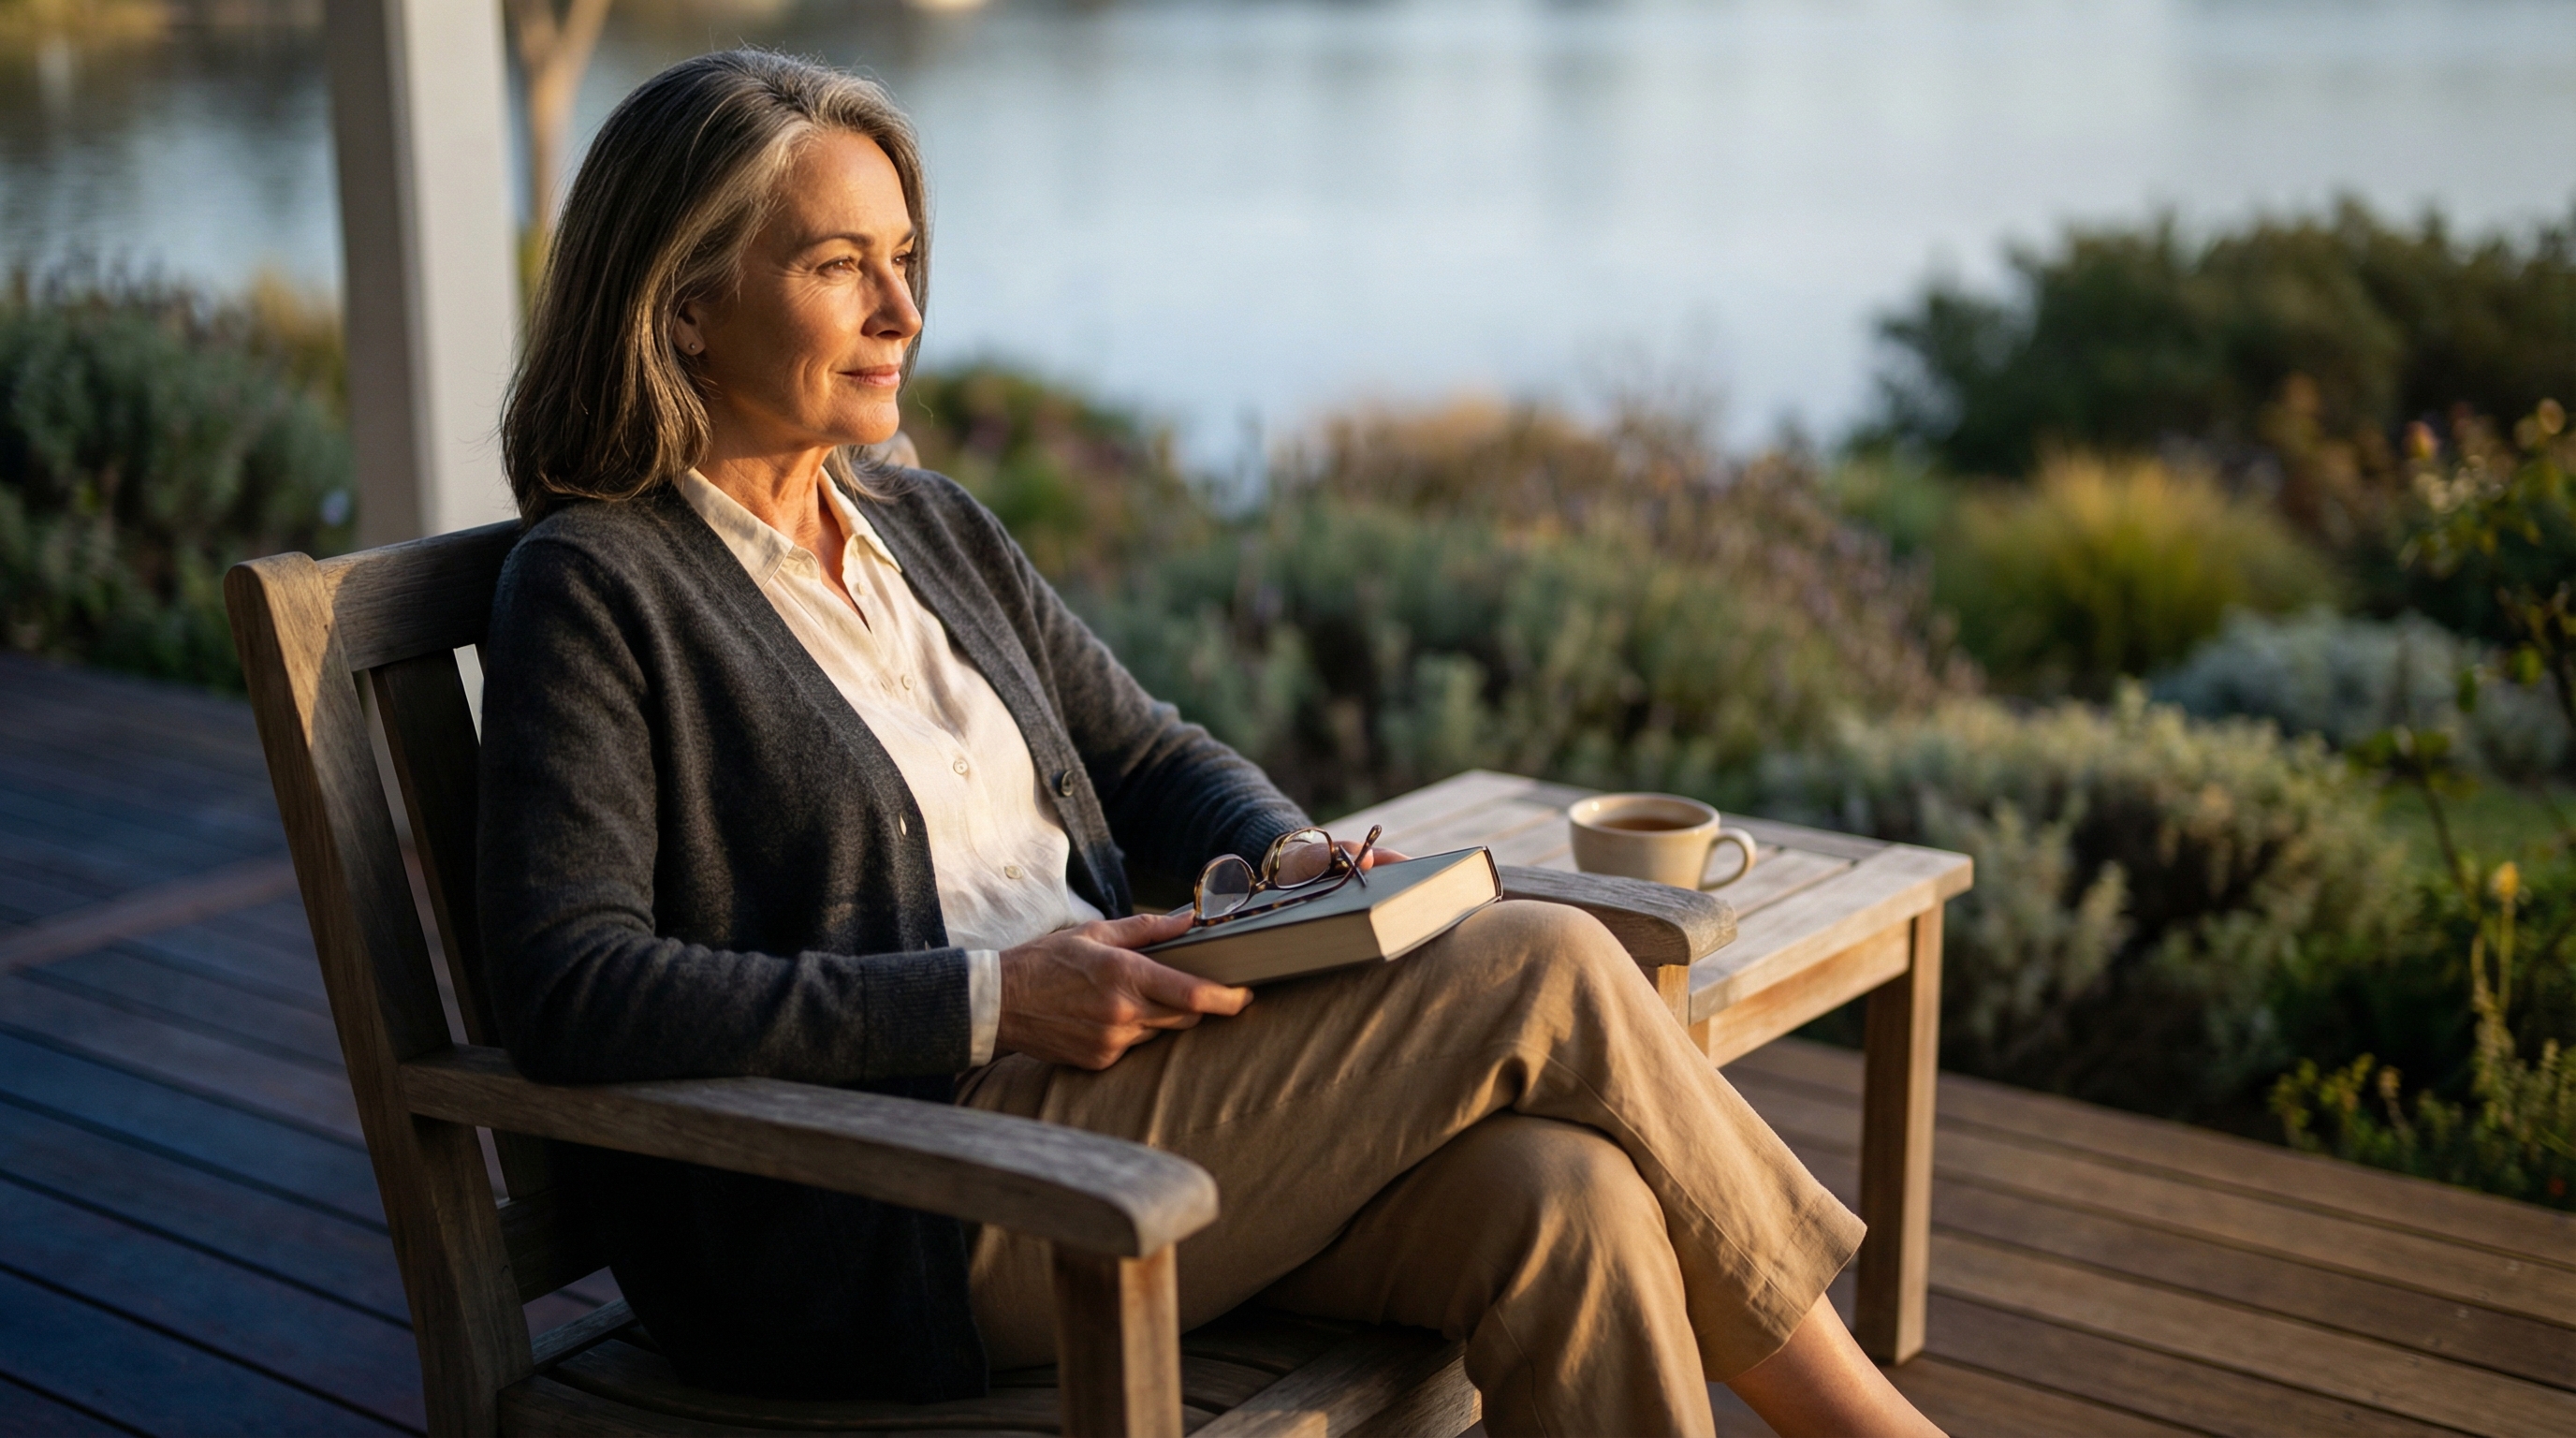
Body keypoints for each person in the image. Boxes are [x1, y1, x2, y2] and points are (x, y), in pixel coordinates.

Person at [480, 48, 1943, 1438]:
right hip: (905, 1200)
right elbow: (574, 987)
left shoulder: (926, 526)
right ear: (684, 308)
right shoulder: (602, 586)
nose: (901, 314)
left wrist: (1290, 856)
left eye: (903, 260)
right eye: (836, 265)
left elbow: (1153, 752)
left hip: (1124, 1100)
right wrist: (993, 1001)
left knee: (1565, 1200)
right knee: (1548, 960)